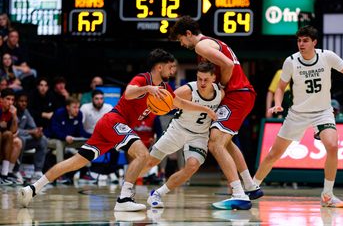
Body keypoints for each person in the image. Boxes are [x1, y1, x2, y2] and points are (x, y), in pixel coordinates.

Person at [18, 48, 217, 212]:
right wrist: (147, 89)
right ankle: (124, 199)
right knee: (141, 152)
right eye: (170, 67)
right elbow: (129, 93)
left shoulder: (165, 88)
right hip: (114, 120)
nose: (172, 70)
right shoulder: (143, 78)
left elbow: (180, 102)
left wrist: (205, 108)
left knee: (76, 162)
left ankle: (33, 188)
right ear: (160, 66)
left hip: (112, 128)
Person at [170, 16, 262, 210]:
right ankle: (250, 186)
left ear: (188, 33)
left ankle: (238, 194)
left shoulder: (201, 46)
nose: (182, 44)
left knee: (215, 142)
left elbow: (228, 65)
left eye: (181, 39)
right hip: (242, 95)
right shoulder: (212, 42)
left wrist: (223, 86)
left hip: (237, 94)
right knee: (225, 142)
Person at [253, 25, 343, 208]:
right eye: (299, 40)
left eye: (305, 40)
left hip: (322, 112)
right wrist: (278, 103)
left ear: (314, 42)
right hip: (297, 114)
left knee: (332, 145)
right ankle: (251, 187)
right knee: (274, 154)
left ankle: (327, 195)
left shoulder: (327, 56)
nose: (301, 44)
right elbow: (280, 88)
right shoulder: (291, 61)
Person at [143, 61, 223, 208]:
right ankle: (126, 190)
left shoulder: (220, 93)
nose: (202, 83)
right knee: (150, 162)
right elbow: (168, 103)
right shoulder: (187, 90)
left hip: (199, 135)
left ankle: (158, 194)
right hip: (178, 130)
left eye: (206, 79)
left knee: (191, 166)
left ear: (214, 78)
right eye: (199, 79)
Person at [15, 92, 48, 182]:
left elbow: (33, 127)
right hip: (13, 140)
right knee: (21, 140)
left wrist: (38, 132)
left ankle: (37, 172)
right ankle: (15, 171)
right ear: (16, 102)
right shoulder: (13, 111)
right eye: (21, 101)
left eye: (25, 101)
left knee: (43, 139)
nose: (24, 103)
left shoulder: (26, 111)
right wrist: (31, 132)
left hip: (23, 139)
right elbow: (14, 131)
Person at [0, 88, 21, 185]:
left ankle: (6, 173)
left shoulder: (10, 112)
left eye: (12, 100)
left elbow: (13, 132)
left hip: (4, 139)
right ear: (1, 99)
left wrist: (15, 117)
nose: (10, 102)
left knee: (16, 141)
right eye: (8, 99)